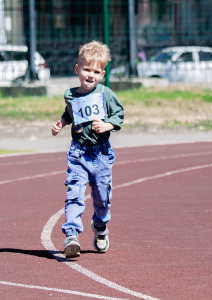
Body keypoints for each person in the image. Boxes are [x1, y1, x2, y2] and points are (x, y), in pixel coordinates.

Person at [51, 40, 124, 258]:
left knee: (102, 198)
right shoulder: (71, 95)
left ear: (102, 74)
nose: (91, 75)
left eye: (96, 71)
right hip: (78, 153)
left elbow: (119, 115)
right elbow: (69, 113)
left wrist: (107, 125)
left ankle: (100, 227)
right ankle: (71, 236)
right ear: (77, 70)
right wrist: (61, 124)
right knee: (74, 193)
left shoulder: (106, 94)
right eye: (86, 69)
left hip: (101, 154)